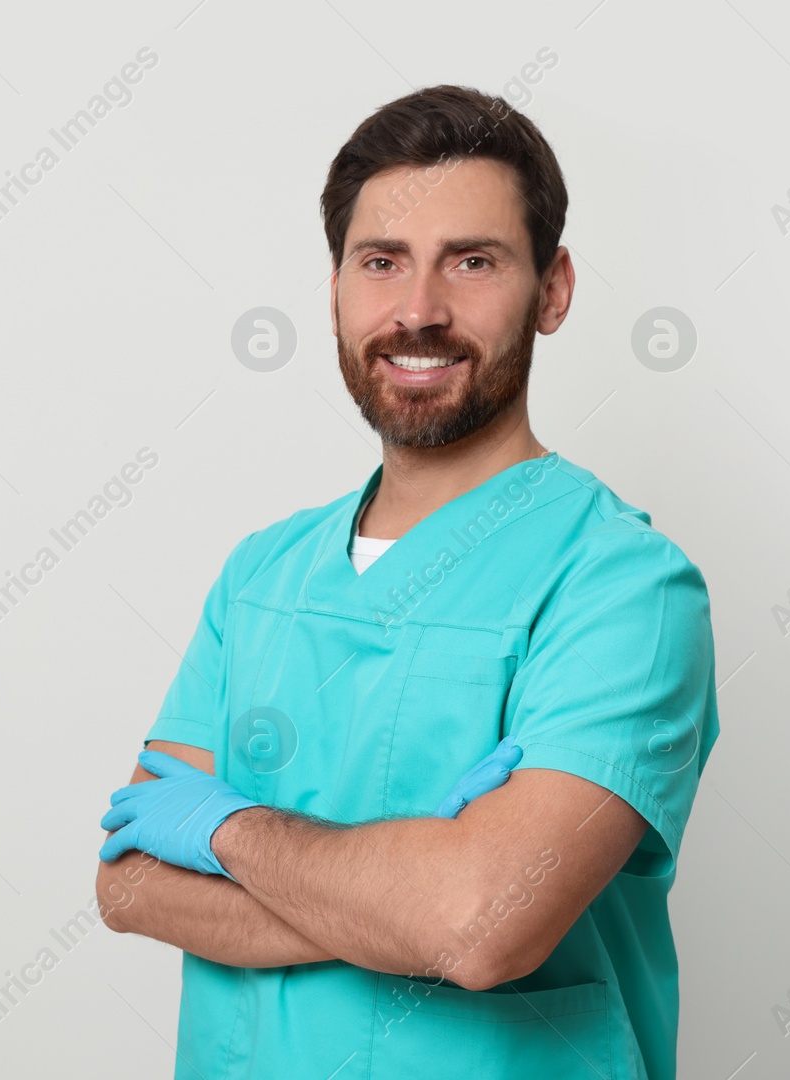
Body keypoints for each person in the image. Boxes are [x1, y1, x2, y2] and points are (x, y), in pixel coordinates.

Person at [95, 84, 718, 1080]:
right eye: (380, 263)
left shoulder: (624, 591)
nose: (418, 311)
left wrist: (228, 830)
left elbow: (480, 927)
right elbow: (130, 885)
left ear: (552, 290)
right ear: (336, 289)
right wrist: (418, 879)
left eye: (471, 262)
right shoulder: (262, 572)